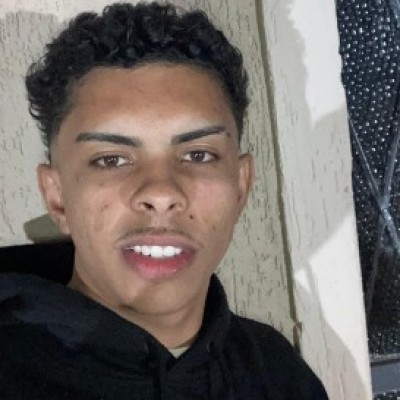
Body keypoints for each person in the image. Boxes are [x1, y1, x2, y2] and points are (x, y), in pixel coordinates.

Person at [0, 2, 328, 399]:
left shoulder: (280, 374)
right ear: (57, 197)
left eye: (198, 155)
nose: (161, 193)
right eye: (111, 160)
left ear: (240, 186)